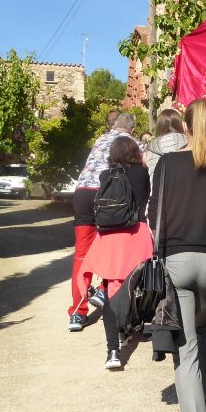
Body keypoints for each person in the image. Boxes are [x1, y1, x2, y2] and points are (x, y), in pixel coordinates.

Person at [149, 98, 206, 412]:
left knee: (185, 350)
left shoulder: (168, 163)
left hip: (177, 262)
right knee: (200, 330)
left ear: (185, 127)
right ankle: (204, 400)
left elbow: (154, 213)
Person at [78, 136, 154, 370]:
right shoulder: (142, 173)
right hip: (136, 234)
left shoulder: (105, 176)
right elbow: (146, 200)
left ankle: (113, 349)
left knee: (112, 291)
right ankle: (132, 326)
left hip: (110, 238)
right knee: (139, 286)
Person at [67, 111, 135, 332]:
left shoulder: (100, 139)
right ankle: (102, 291)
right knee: (112, 247)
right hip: (106, 195)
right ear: (132, 129)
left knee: (81, 254)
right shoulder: (130, 142)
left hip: (82, 192)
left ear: (113, 125)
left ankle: (77, 312)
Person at [144, 108, 189, 183]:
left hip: (158, 193)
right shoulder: (188, 144)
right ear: (179, 124)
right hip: (184, 192)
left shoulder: (150, 150)